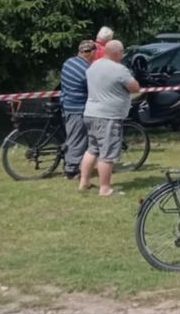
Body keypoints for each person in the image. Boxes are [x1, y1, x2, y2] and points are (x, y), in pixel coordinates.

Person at [80, 40, 139, 197]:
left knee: (92, 149)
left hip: (91, 113)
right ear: (117, 53)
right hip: (108, 116)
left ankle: (84, 182)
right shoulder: (119, 69)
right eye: (122, 52)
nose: (123, 55)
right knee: (107, 153)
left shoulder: (93, 65)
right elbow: (135, 88)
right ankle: (105, 189)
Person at [59, 40, 95, 179]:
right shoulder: (87, 70)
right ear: (91, 52)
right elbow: (93, 88)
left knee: (73, 136)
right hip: (78, 107)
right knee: (77, 139)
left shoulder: (68, 63)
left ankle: (74, 162)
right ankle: (71, 170)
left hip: (66, 104)